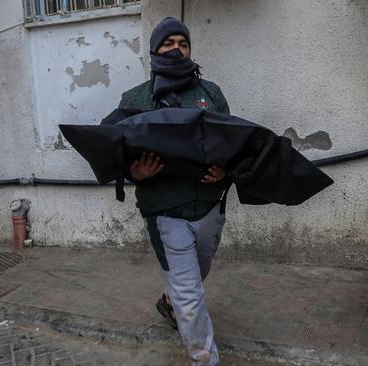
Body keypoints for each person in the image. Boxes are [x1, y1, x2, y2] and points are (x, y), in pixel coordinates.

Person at [117, 17, 229, 366]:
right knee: (191, 297)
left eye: (183, 42)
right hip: (165, 212)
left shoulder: (210, 94)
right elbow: (117, 151)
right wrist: (135, 173)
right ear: (154, 51)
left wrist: (224, 170)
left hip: (210, 207)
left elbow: (231, 141)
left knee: (199, 271)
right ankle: (204, 359)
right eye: (168, 43)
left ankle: (169, 302)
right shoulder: (135, 99)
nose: (177, 48)